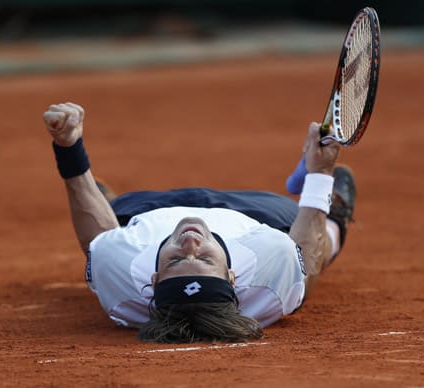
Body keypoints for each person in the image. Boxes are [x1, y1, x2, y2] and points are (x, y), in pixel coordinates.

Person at [43, 102, 356, 343]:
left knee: (103, 214)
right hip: (254, 213)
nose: (190, 243)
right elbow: (305, 255)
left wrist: (70, 148)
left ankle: (105, 196)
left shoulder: (123, 280)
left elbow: (97, 239)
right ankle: (337, 220)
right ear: (233, 278)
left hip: (149, 211)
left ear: (152, 281)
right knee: (308, 264)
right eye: (204, 258)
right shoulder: (268, 279)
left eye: (176, 260)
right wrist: (320, 174)